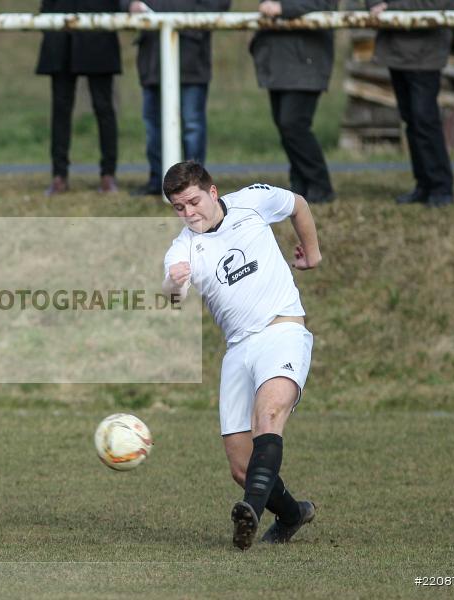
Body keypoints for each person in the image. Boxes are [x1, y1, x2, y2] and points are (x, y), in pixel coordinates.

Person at [161, 160, 320, 550]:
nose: (188, 213)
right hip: (237, 351)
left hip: (282, 331)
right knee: (242, 467)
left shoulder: (252, 201)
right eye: (179, 208)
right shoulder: (183, 247)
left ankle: (249, 511)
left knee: (268, 415)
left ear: (213, 192)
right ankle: (292, 514)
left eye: (193, 202)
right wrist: (173, 284)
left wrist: (312, 254)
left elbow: (298, 204)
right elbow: (172, 295)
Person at [123, 0, 231, 197]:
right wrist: (130, 5)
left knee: (192, 126)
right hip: (152, 59)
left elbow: (219, 4)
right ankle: (158, 181)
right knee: (154, 126)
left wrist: (168, 13)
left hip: (192, 58)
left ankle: (194, 185)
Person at [367, 0, 454, 207]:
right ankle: (424, 185)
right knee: (411, 120)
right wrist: (374, 4)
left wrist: (390, 8)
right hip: (396, 51)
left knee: (425, 120)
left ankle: (441, 187)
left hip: (426, 52)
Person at [250, 0, 337, 204]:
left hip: (307, 58)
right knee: (284, 125)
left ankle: (320, 185)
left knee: (293, 124)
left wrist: (283, 9)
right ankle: (300, 182)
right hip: (278, 57)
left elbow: (326, 4)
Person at [36, 0, 122, 195]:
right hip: (60, 35)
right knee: (60, 109)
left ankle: (108, 174)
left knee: (104, 107)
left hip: (98, 33)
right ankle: (59, 175)